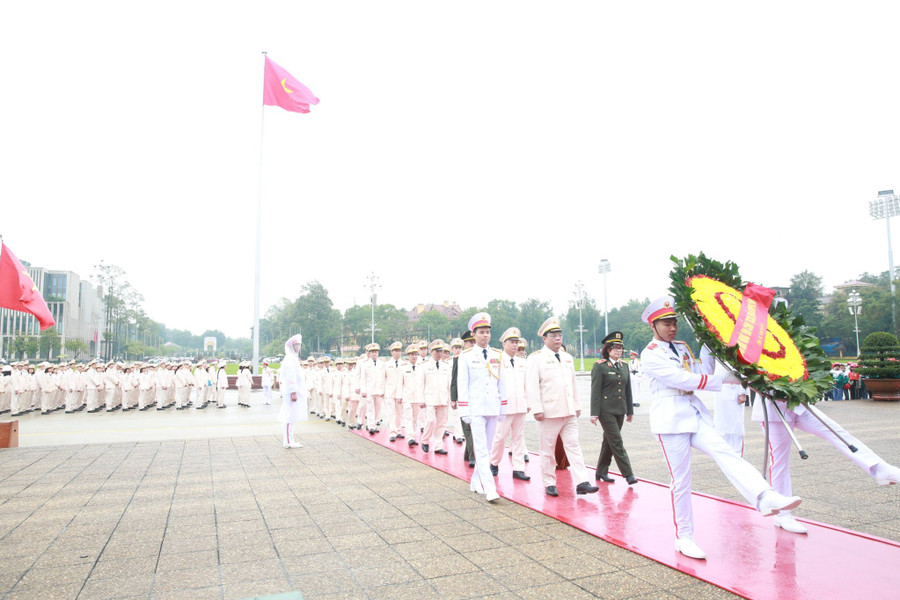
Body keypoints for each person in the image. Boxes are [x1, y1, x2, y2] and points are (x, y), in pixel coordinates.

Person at [640, 296, 802, 560]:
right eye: (666, 323)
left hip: (693, 414)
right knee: (682, 481)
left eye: (674, 323)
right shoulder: (650, 354)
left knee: (727, 453)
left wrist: (708, 340)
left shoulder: (681, 348)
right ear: (653, 325)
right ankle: (684, 537)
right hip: (670, 420)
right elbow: (683, 379)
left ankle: (765, 497)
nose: (672, 328)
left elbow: (701, 368)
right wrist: (725, 379)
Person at [751, 390, 900, 534]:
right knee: (780, 460)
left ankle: (878, 468)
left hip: (797, 402)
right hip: (773, 409)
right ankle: (782, 515)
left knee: (834, 431)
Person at [525, 317, 598, 497]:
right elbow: (531, 385)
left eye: (559, 335)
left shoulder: (567, 357)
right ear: (544, 338)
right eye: (553, 335)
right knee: (547, 450)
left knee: (573, 446)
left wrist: (577, 404)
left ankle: (582, 481)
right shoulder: (537, 358)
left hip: (568, 411)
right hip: (549, 412)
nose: (558, 338)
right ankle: (549, 482)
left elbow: (572, 383)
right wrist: (537, 408)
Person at [457, 313, 508, 502]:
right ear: (474, 334)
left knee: (487, 446)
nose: (485, 335)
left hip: (493, 406)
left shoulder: (497, 355)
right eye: (481, 332)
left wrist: (503, 406)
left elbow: (502, 383)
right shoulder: (466, 356)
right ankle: (490, 488)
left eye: (487, 332)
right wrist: (464, 410)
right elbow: (462, 384)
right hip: (476, 407)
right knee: (480, 448)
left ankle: (476, 481)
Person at [590, 331, 638, 485]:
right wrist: (594, 413)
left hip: (620, 409)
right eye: (615, 347)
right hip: (606, 410)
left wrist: (630, 410)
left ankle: (601, 471)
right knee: (616, 441)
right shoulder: (600, 366)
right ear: (608, 349)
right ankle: (628, 474)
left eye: (620, 348)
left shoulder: (624, 366)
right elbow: (595, 391)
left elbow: (628, 390)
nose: (619, 350)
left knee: (609, 440)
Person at [489, 327, 531, 481]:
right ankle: (494, 463)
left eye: (516, 342)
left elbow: (526, 384)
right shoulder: (497, 360)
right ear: (504, 344)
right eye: (512, 342)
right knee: (500, 437)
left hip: (520, 405)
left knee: (518, 438)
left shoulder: (522, 362)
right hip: (504, 407)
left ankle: (518, 468)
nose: (515, 345)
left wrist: (528, 401)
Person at [416, 339, 452, 454]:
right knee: (430, 421)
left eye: (441, 351)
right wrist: (420, 399)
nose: (439, 353)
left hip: (443, 398)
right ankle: (425, 440)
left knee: (442, 423)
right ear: (431, 351)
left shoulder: (446, 366)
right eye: (436, 351)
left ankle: (438, 445)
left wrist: (451, 399)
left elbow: (449, 385)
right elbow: (420, 384)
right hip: (429, 398)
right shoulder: (424, 366)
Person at [451, 330, 477, 467]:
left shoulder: (480, 356)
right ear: (465, 344)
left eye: (474, 342)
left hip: (477, 398)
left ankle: (468, 453)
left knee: (475, 427)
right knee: (467, 427)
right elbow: (454, 379)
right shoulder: (459, 358)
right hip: (464, 398)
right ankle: (473, 456)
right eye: (469, 342)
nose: (472, 344)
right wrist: (454, 398)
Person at [278, 334, 307, 448]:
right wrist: (293, 391)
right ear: (292, 346)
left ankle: (290, 440)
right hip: (291, 392)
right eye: (297, 345)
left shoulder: (293, 358)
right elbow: (291, 377)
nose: (299, 347)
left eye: (299, 344)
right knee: (289, 416)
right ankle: (288, 441)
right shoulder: (290, 358)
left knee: (291, 416)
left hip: (292, 391)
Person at [714, 383, 746, 455]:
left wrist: (742, 392)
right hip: (721, 391)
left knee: (735, 427)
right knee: (722, 428)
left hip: (734, 391)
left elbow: (744, 374)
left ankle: (737, 457)